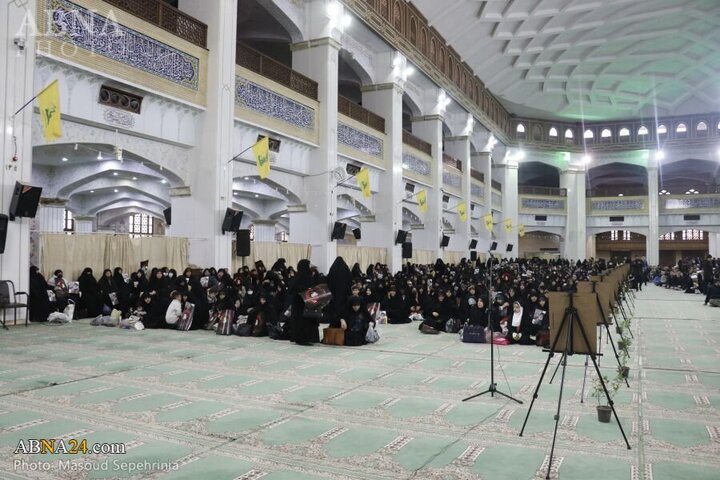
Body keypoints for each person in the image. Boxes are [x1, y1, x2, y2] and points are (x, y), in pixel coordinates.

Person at [285, 259, 320, 345]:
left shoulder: (301, 277)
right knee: (303, 321)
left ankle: (302, 338)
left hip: (302, 304)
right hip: (302, 303)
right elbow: (294, 289)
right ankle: (303, 339)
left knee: (302, 321)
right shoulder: (304, 277)